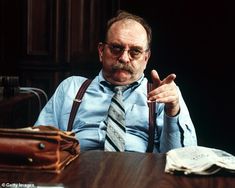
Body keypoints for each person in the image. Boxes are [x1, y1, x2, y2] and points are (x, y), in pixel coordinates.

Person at [34, 10, 197, 153]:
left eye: (135, 51)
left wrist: (173, 111)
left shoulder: (163, 94)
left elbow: (181, 160)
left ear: (146, 58)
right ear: (101, 51)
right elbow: (38, 145)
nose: (125, 58)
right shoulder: (71, 88)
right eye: (116, 48)